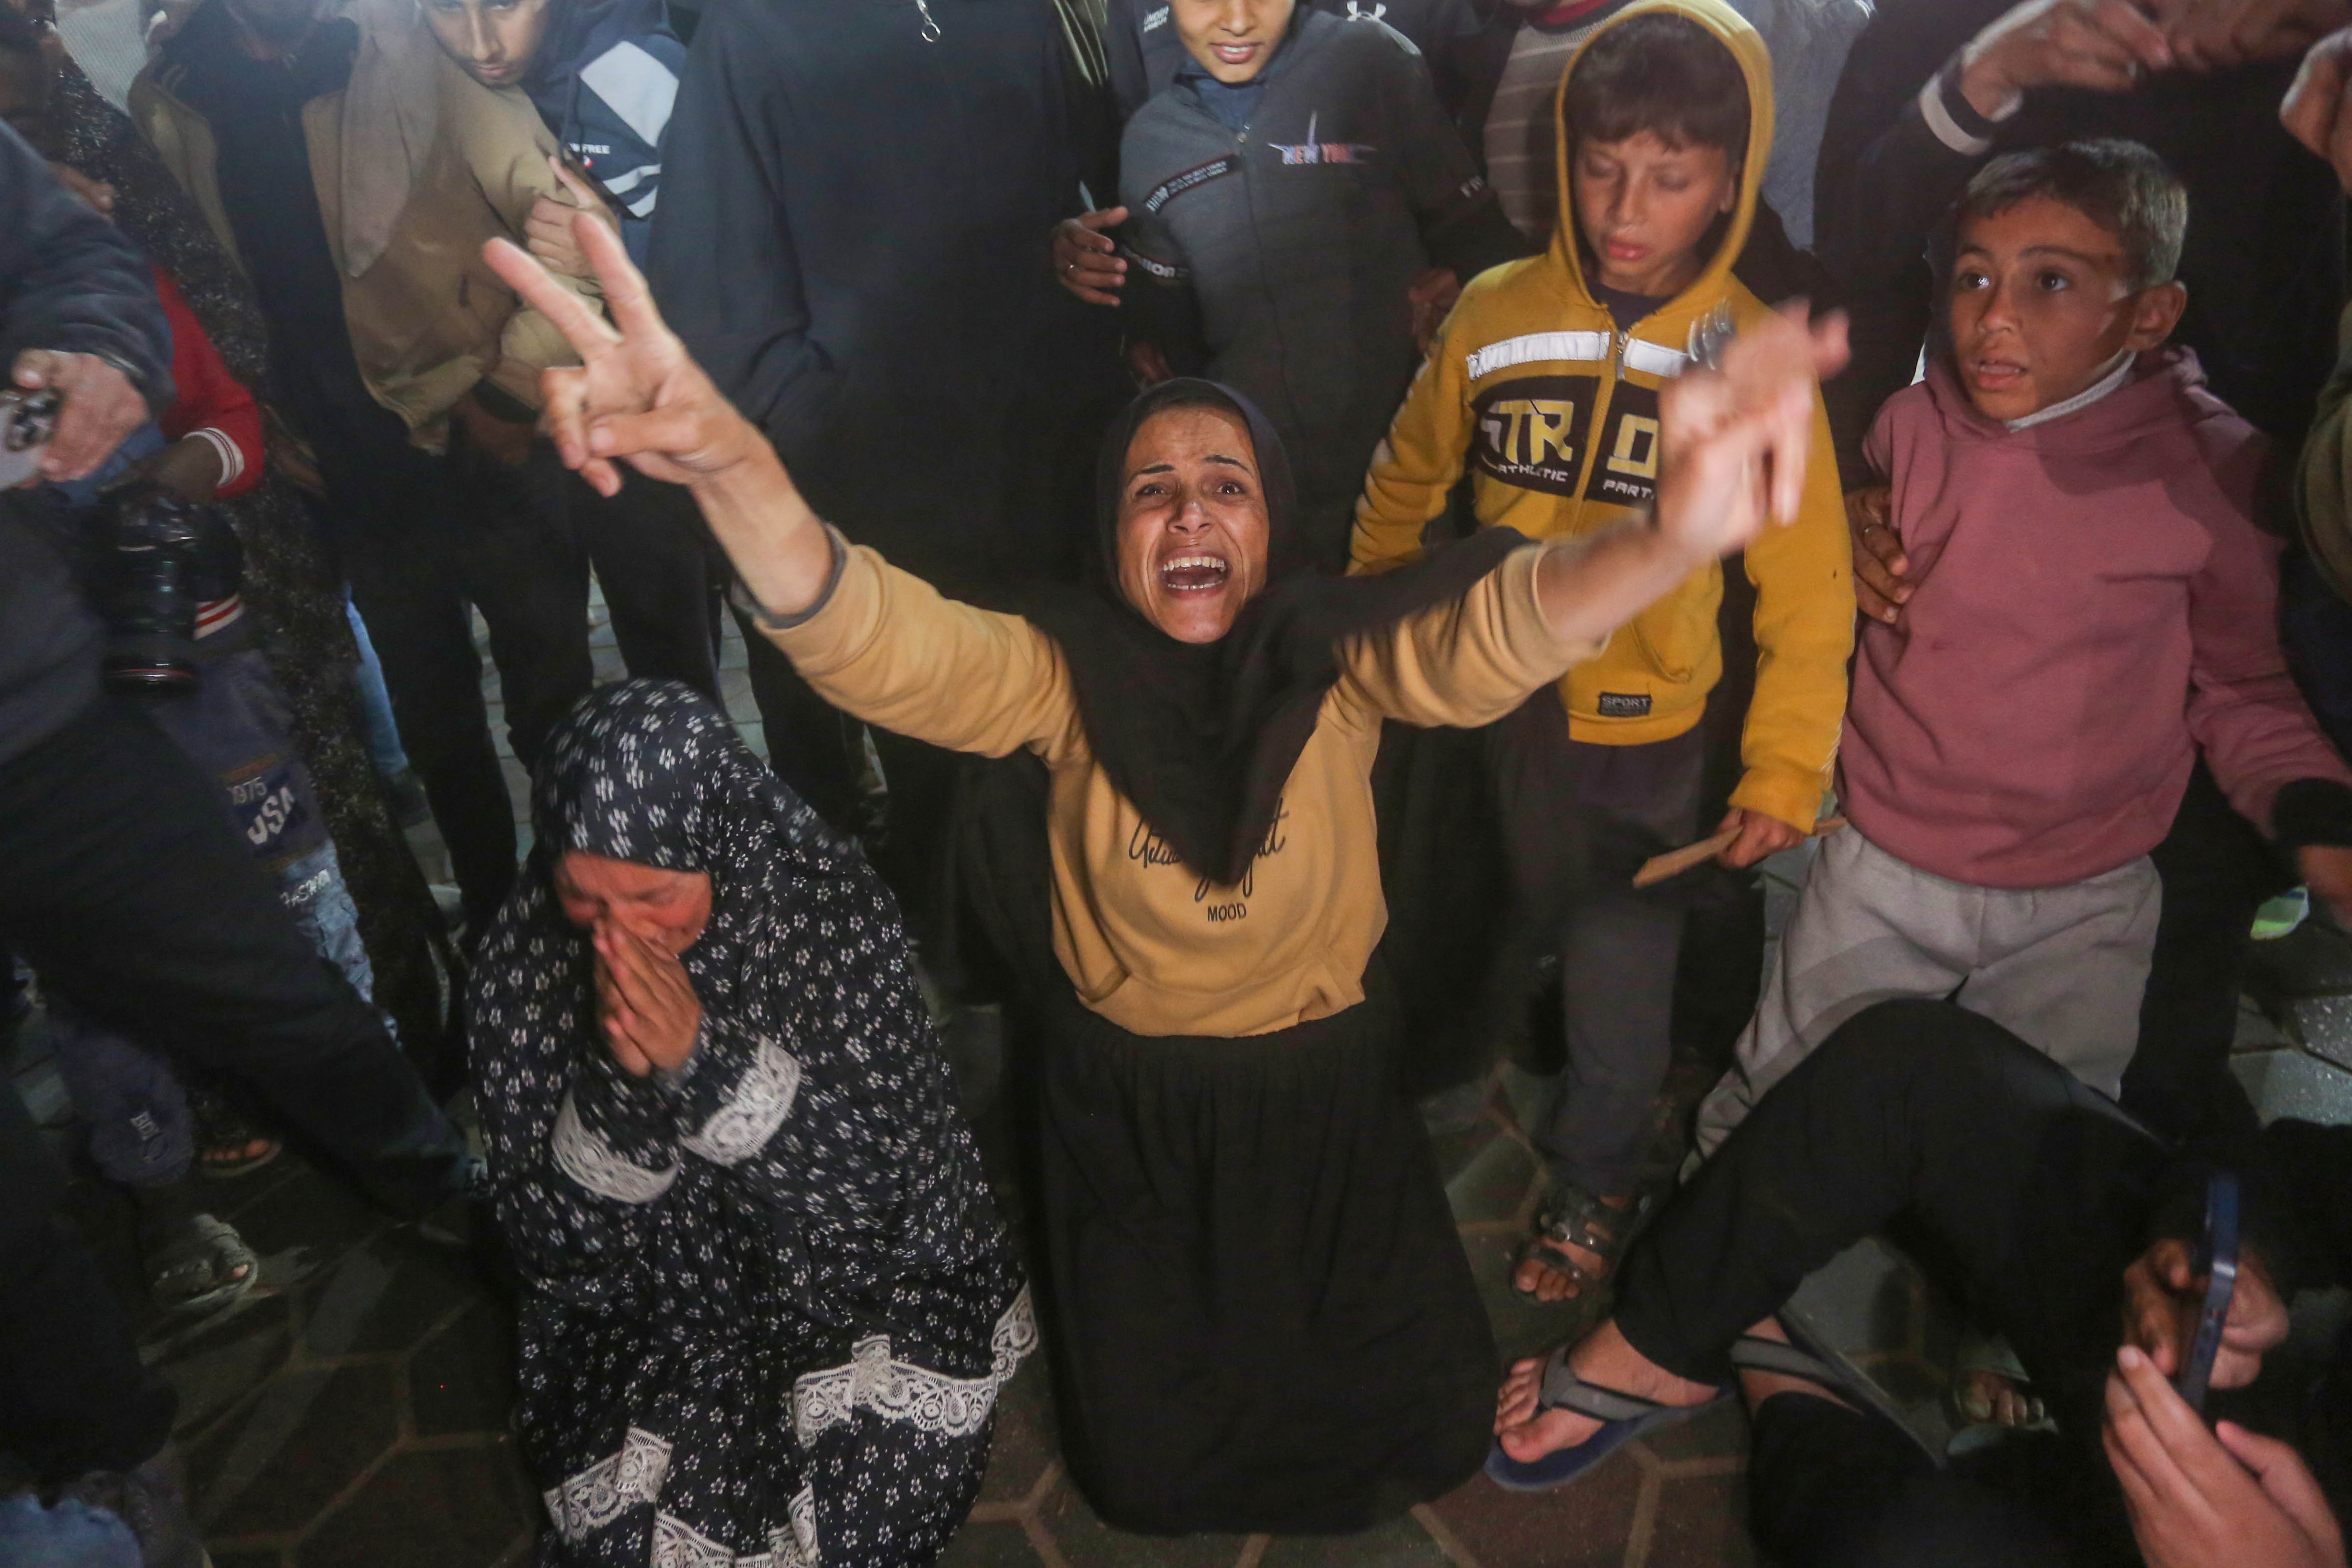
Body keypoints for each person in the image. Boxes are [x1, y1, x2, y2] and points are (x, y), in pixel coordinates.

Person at [483, 204, 1847, 1534]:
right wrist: (727, 460)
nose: (1188, 510)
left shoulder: (1336, 653)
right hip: (1122, 1111)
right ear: (1109, 529)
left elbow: (1485, 633)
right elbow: (872, 634)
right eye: (1152, 489)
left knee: (1403, 1407)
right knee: (1151, 1446)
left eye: (1223, 485)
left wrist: (1661, 538)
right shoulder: (1054, 675)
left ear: (1271, 523)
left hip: (1322, 1095)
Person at [0, 126, 473, 1568]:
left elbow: (83, 254)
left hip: (40, 719)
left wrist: (89, 354)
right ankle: (114, 1459)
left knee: (260, 974)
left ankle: (443, 1184)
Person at [1694, 140, 2352, 1159]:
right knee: (1786, 1075)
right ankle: (1739, 1262)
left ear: (2150, 313)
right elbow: (1843, 552)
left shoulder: (2217, 472)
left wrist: (2309, 809)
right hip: (1881, 857)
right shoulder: (1907, 428)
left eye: (2050, 281)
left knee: (2042, 1128)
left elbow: (2244, 684)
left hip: (2085, 889)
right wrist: (1848, 523)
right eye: (1972, 277)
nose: (1993, 317)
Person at [1351, 0, 1855, 1302]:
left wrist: (1784, 765)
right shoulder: (1489, 311)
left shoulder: (1755, 360)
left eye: (1670, 176)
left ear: (1729, 181)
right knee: (1458, 922)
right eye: (1601, 165)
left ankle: (1592, 1176)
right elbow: (1402, 484)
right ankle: (1428, 1098)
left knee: (1616, 988)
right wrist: (1368, 641)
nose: (1627, 206)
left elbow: (1810, 591)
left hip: (1641, 749)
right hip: (1482, 717)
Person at [469, 680, 1029, 1567]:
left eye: (654, 896)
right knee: (632, 1535)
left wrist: (703, 1060)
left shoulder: (823, 913)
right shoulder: (519, 962)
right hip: (663, 1306)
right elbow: (561, 1252)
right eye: (584, 899)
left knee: (861, 1519)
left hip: (843, 1277)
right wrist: (621, 1084)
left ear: (721, 845)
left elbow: (884, 1192)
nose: (620, 941)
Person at [1491, 1000, 2348, 1568]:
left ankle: (1791, 1394)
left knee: (1893, 1543)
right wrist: (2225, 1250)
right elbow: (2298, 1173)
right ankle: (1659, 1345)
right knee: (1909, 1063)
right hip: (2260, 1416)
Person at [129, 0, 603, 939]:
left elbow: (574, 232)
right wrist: (269, 415)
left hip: (485, 448)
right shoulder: (173, 97)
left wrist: (508, 393)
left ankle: (593, 925)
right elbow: (199, 285)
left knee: (557, 717)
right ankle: (501, 935)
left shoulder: (411, 51)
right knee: (438, 736)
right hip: (351, 481)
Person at [647, 0, 1111, 923]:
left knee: (1070, 754)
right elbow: (719, 313)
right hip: (890, 510)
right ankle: (975, 987)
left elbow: (1063, 192)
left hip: (1048, 474)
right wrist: (850, 439)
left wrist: (1067, 258)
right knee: (943, 783)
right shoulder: (750, 38)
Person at [1114, 0, 1529, 567]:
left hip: (1405, 484)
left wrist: (1459, 289)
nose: (1236, 20)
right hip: (1259, 506)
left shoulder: (1368, 63)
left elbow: (1479, 237)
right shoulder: (1148, 141)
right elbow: (1171, 342)